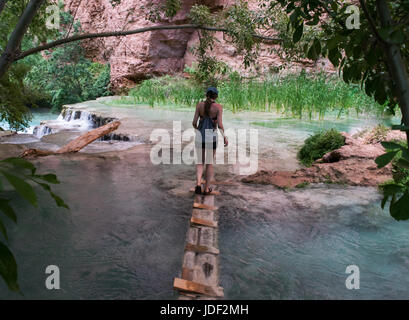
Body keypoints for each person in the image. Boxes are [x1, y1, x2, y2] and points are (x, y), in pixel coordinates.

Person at [192, 87, 228, 195]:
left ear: (206, 94)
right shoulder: (218, 108)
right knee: (209, 163)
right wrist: (224, 137)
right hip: (211, 137)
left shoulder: (199, 105)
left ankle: (198, 185)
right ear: (216, 96)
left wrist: (198, 129)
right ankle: (207, 189)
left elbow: (194, 122)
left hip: (200, 136)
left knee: (200, 162)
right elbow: (220, 125)